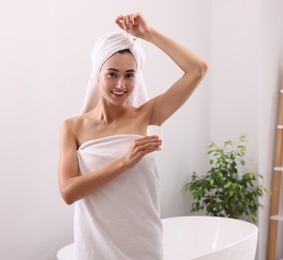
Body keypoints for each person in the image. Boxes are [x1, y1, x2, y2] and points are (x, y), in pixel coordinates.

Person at [58, 13, 208, 260]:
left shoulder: (148, 115)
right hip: (94, 249)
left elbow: (197, 69)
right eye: (112, 74)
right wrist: (124, 162)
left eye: (129, 75)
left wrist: (148, 34)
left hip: (142, 245)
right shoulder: (72, 127)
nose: (121, 84)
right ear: (97, 74)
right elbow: (68, 192)